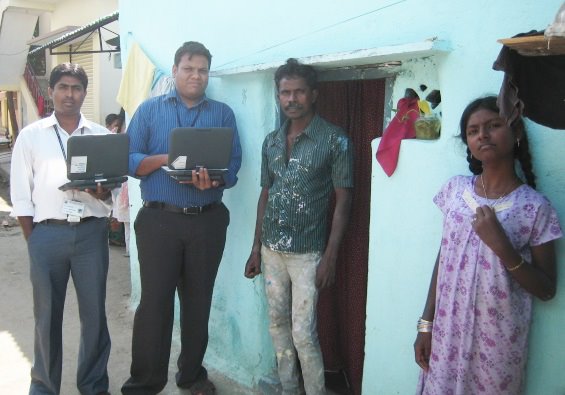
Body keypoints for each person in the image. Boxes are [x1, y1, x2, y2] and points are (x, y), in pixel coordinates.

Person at [414, 96, 562, 394]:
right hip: (447, 334)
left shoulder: (534, 207)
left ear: (516, 133)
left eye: (493, 125)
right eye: (473, 130)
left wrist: (502, 246)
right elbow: (444, 259)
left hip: (497, 345)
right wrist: (425, 324)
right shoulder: (456, 191)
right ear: (468, 142)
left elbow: (547, 289)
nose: (482, 134)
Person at [121, 41, 242, 395]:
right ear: (174, 71)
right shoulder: (148, 111)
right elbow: (130, 161)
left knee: (198, 302)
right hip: (160, 221)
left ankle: (191, 376)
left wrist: (214, 179)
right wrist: (168, 158)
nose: (195, 75)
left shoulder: (222, 114)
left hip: (208, 220)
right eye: (188, 68)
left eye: (202, 69)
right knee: (154, 304)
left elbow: (233, 167)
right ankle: (144, 383)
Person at [244, 58, 354, 395]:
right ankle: (289, 388)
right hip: (271, 251)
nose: (291, 99)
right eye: (285, 93)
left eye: (299, 92)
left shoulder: (335, 140)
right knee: (277, 326)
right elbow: (266, 194)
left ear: (314, 94)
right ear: (278, 96)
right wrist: (255, 248)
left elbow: (344, 200)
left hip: (307, 255)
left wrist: (330, 258)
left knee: (304, 332)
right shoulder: (272, 142)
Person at [10, 63, 113, 395]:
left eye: (77, 88)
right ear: (51, 91)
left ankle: (93, 385)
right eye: (63, 87)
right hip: (47, 234)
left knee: (95, 316)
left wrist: (102, 191)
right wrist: (35, 240)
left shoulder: (101, 135)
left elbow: (112, 190)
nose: (70, 94)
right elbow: (21, 196)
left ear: (84, 93)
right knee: (46, 317)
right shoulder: (31, 136)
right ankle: (43, 386)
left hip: (90, 234)